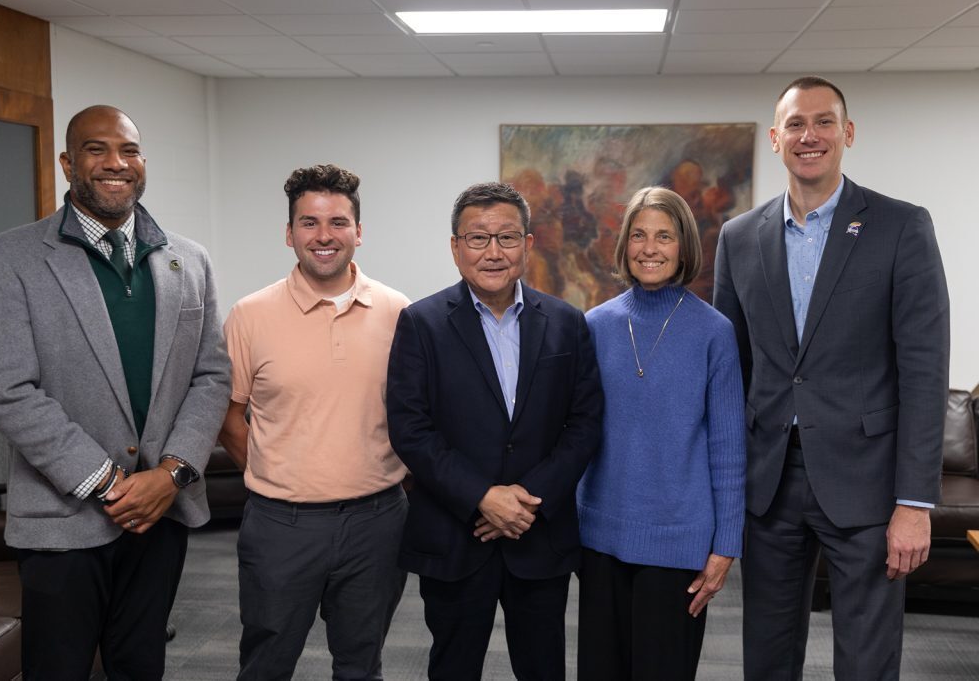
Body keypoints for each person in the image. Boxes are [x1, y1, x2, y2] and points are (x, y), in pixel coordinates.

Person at [0, 105, 231, 679]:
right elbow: (6, 388)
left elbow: (211, 376)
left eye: (129, 151)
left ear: (142, 163)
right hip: (65, 517)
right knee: (58, 669)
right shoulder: (9, 257)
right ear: (68, 163)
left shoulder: (189, 260)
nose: (116, 163)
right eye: (96, 149)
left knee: (142, 665)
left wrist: (171, 474)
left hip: (160, 514)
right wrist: (111, 484)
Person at [713, 76, 950, 679]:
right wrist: (725, 490)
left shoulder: (901, 227)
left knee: (866, 661)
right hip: (769, 484)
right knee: (766, 655)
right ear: (775, 138)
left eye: (823, 122)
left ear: (847, 133)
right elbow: (730, 371)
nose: (809, 135)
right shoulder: (739, 238)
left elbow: (924, 371)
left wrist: (914, 502)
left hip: (867, 483)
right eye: (795, 123)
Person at [386, 182, 604, 681]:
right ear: (455, 247)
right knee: (453, 667)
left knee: (544, 666)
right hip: (455, 535)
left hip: (538, 534)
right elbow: (410, 428)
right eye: (478, 238)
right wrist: (482, 496)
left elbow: (584, 423)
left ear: (527, 245)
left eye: (506, 238)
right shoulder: (421, 323)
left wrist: (526, 499)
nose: (493, 252)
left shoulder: (567, 323)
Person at [219, 164, 410, 680]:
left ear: (359, 231)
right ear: (289, 233)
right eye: (309, 223)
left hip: (377, 522)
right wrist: (275, 470)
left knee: (361, 664)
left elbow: (417, 418)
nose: (324, 236)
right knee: (266, 662)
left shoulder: (400, 313)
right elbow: (229, 416)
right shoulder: (249, 315)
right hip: (281, 525)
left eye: (338, 223)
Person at [576, 186, 745, 680]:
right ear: (625, 245)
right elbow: (576, 435)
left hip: (678, 545)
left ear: (683, 245)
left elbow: (728, 449)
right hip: (600, 538)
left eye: (664, 236)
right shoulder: (595, 325)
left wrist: (726, 545)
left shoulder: (714, 332)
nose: (650, 248)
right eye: (639, 235)